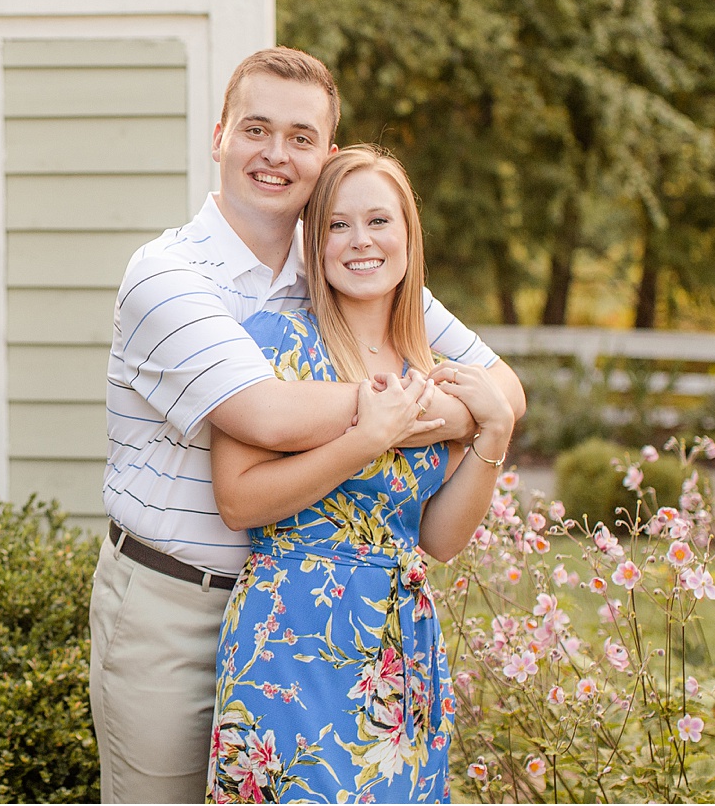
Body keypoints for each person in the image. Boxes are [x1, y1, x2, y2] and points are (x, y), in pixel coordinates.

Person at [91, 47, 526, 803]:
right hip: (177, 604)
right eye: (256, 129)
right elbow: (267, 412)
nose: (275, 154)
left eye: (300, 137)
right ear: (220, 134)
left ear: (325, 155)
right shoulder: (168, 276)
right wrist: (425, 412)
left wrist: (468, 416)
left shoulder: (342, 260)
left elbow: (503, 390)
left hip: (356, 628)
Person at [205, 145, 517, 802]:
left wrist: (495, 431)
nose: (360, 241)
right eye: (337, 226)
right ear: (312, 244)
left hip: (401, 644)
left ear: (409, 235)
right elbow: (238, 502)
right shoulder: (272, 341)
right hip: (290, 638)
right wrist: (363, 440)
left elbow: (438, 539)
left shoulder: (431, 365)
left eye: (379, 222)